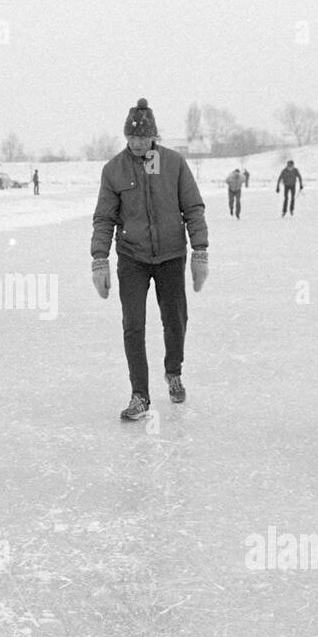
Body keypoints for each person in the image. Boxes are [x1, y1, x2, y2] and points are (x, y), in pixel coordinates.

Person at [91, 98, 208, 420]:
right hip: (132, 258)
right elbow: (104, 218)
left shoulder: (172, 163)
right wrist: (99, 259)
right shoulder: (114, 169)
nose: (138, 143)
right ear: (126, 137)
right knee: (133, 325)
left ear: (153, 136)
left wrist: (200, 252)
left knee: (175, 320)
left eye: (144, 138)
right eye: (132, 138)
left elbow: (193, 209)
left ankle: (174, 372)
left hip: (171, 255)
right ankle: (140, 395)